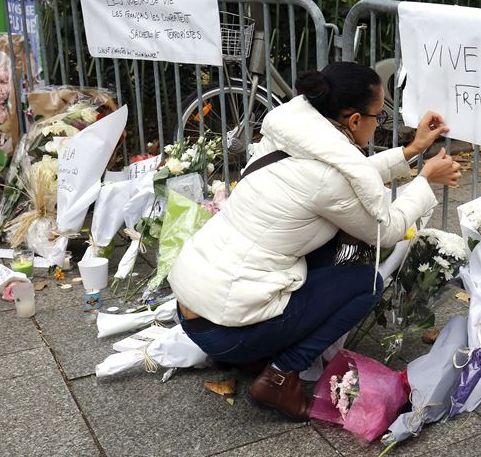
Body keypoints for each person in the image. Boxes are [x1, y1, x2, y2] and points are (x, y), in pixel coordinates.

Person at [168, 61, 461, 421]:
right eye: (379, 117)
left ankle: (254, 354)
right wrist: (425, 180)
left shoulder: (293, 137)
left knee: (326, 250)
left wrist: (412, 150)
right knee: (366, 282)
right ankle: (278, 376)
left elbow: (349, 176)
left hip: (193, 308)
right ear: (354, 120)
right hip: (224, 330)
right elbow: (385, 230)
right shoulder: (327, 176)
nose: (379, 123)